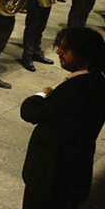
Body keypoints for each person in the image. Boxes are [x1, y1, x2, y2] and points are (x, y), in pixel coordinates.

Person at [21, 27, 105, 209]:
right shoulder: (98, 82)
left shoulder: (74, 91)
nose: (58, 51)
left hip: (51, 183)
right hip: (73, 180)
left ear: (84, 54)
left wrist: (39, 96)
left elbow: (30, 112)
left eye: (65, 49)